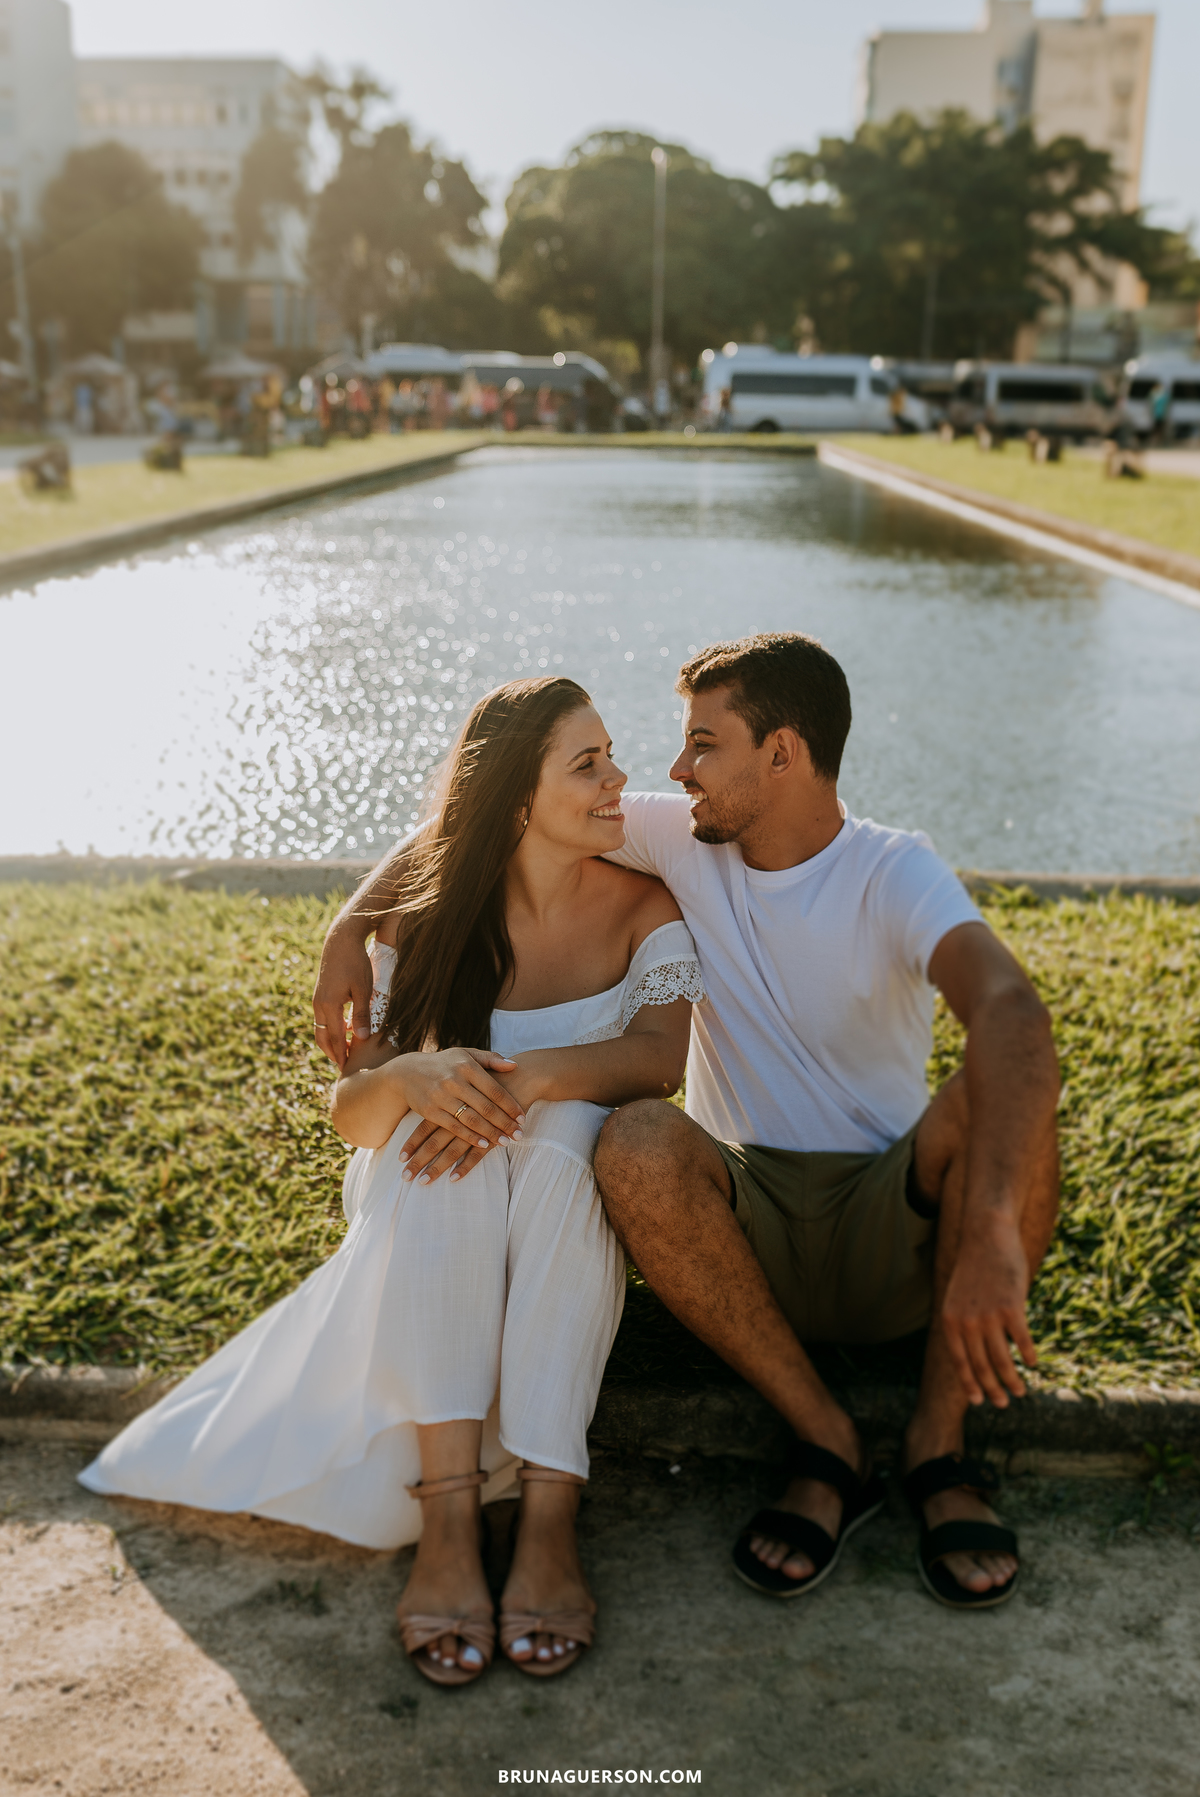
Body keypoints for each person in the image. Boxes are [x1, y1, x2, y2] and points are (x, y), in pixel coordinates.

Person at [315, 634, 1059, 1614]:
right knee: (636, 1140)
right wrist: (351, 924)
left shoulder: (893, 872)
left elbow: (1010, 1010)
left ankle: (937, 1445)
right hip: (737, 1224)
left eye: (703, 744)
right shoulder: (680, 836)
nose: (675, 770)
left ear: (782, 755)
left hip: (891, 1212)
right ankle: (824, 1438)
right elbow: (490, 807)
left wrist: (996, 1237)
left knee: (1012, 1081)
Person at [81, 677, 701, 1688]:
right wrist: (406, 1074)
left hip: (557, 1192)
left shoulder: (644, 905)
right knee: (442, 1158)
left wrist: (534, 1080)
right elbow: (356, 1121)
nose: (618, 779)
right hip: (419, 1190)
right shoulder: (425, 922)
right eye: (587, 764)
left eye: (610, 756)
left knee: (554, 1148)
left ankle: (551, 1516)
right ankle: (449, 1518)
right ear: (514, 801)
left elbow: (657, 1063)